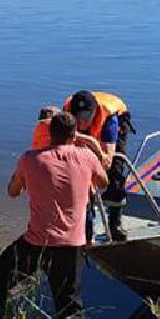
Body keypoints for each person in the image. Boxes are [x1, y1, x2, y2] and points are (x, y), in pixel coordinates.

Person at [0, 111, 108, 319]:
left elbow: (12, 192)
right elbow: (102, 181)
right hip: (72, 245)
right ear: (74, 135)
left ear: (50, 134)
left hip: (36, 243)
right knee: (68, 299)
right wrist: (89, 146)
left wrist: (27, 180)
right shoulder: (86, 157)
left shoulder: (30, 159)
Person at [64, 90, 134, 241]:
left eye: (86, 119)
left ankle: (115, 224)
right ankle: (84, 226)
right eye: (79, 119)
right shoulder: (67, 112)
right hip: (85, 137)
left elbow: (108, 158)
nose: (82, 123)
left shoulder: (109, 116)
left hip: (116, 124)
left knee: (116, 170)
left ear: (94, 112)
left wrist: (95, 174)